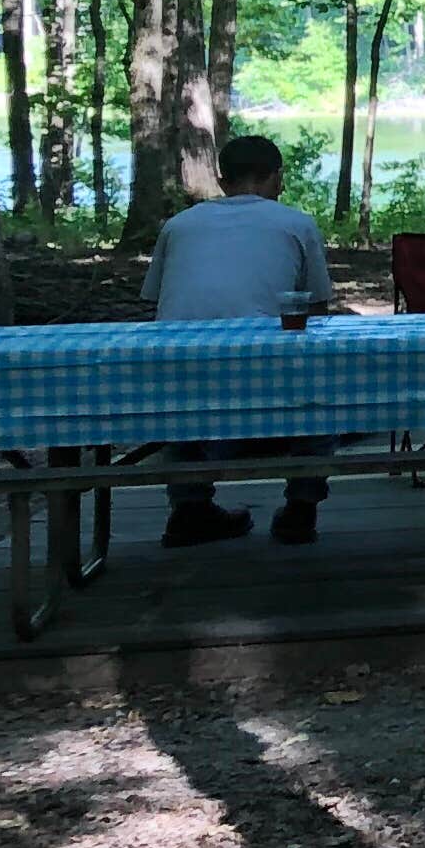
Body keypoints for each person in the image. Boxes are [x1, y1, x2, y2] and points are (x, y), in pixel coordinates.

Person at [142, 130, 337, 547]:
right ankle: (301, 508)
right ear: (277, 178)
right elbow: (317, 313)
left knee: (183, 380)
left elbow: (156, 303)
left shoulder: (178, 225)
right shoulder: (296, 224)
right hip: (270, 381)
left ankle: (190, 507)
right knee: (319, 392)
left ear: (220, 178)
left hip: (183, 382)